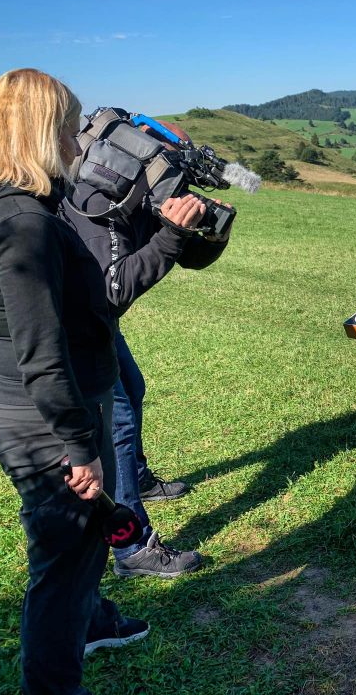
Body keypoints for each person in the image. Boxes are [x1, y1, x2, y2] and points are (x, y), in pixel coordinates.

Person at [0, 68, 147, 695]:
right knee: (62, 564)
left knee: (74, 549)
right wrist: (78, 446)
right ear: (36, 132)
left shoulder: (2, 206)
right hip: (45, 422)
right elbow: (42, 354)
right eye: (67, 127)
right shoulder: (22, 224)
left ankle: (93, 623)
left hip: (27, 412)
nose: (77, 143)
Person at [64, 118, 230, 578]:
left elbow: (182, 253)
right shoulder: (101, 195)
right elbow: (111, 288)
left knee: (131, 388)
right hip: (75, 327)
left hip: (95, 323)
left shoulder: (138, 191)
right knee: (115, 418)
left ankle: (134, 476)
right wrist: (174, 233)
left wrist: (211, 231)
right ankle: (133, 545)